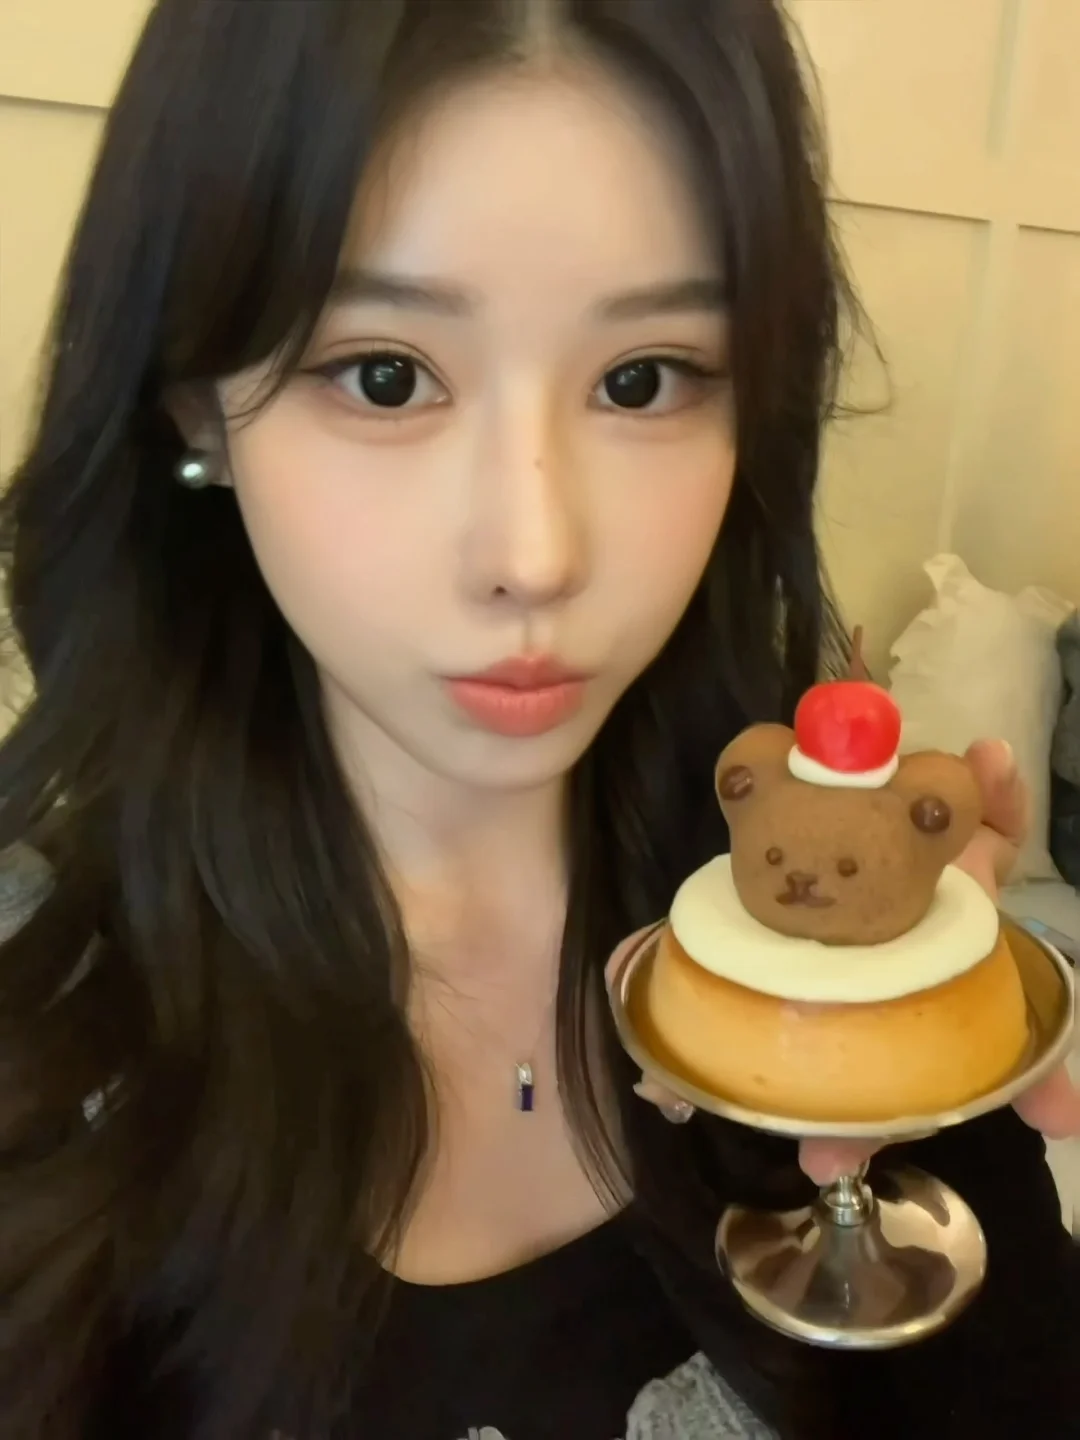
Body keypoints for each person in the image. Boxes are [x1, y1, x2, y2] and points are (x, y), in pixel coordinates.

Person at [0, 2, 1076, 1438]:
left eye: (644, 380)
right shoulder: (38, 1014)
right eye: (386, 375)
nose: (537, 553)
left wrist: (947, 1072)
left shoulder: (845, 953)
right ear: (201, 407)